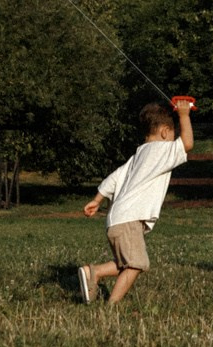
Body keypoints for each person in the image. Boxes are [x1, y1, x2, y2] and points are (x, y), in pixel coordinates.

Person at [76, 99, 194, 305]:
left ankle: (95, 276)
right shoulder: (161, 151)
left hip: (116, 221)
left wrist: (97, 199)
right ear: (165, 132)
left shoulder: (138, 156)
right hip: (129, 219)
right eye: (172, 133)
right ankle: (104, 293)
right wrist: (184, 115)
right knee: (137, 264)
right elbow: (187, 144)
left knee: (125, 263)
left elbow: (114, 177)